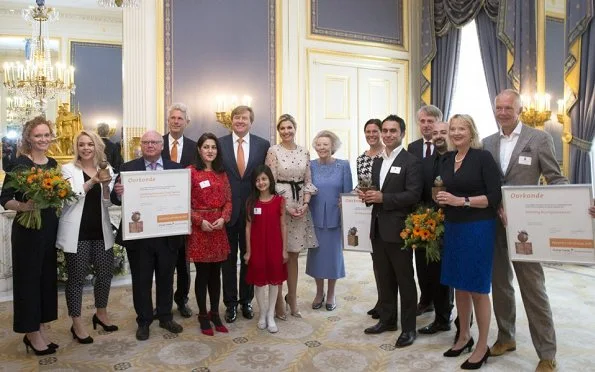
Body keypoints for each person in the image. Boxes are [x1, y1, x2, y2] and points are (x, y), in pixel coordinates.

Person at [483, 89, 567, 372]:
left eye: (508, 108)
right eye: (499, 107)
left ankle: (547, 353)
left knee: (533, 289)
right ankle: (506, 338)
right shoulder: (487, 142)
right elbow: (486, 184)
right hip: (494, 224)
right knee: (500, 285)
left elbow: (556, 179)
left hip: (527, 229)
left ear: (519, 110)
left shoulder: (539, 138)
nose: (503, 112)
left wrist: (577, 204)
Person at [436, 114, 501, 370]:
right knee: (459, 286)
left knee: (477, 287)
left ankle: (483, 345)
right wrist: (443, 201)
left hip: (478, 228)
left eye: (461, 128)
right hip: (453, 227)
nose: (456, 132)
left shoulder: (482, 157)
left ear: (471, 131)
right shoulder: (448, 159)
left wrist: (461, 201)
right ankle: (464, 335)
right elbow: (442, 189)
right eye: (453, 129)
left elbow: (494, 196)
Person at [111, 130, 185, 341]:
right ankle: (144, 321)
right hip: (140, 236)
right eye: (146, 142)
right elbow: (117, 202)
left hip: (167, 234)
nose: (150, 145)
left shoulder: (176, 169)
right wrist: (118, 192)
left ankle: (165, 316)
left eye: (154, 142)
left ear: (162, 146)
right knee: (141, 281)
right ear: (140, 146)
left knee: (165, 279)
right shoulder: (128, 169)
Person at [358, 114, 422, 348]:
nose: (387, 135)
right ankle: (387, 320)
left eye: (392, 131)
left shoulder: (411, 161)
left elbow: (413, 195)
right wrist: (367, 196)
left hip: (399, 230)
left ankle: (409, 329)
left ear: (402, 133)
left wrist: (384, 198)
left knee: (405, 280)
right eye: (384, 130)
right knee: (383, 277)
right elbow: (375, 191)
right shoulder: (377, 161)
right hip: (377, 228)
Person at [0, 116, 59, 355]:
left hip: (48, 229)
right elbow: (5, 199)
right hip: (27, 231)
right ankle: (31, 332)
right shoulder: (19, 165)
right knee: (28, 282)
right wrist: (25, 206)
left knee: (45, 281)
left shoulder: (53, 163)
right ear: (28, 138)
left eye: (46, 135)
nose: (43, 139)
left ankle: (40, 328)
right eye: (38, 135)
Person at [56, 130, 118, 345]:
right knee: (76, 280)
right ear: (77, 148)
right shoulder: (67, 169)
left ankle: (101, 313)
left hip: (101, 231)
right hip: (77, 233)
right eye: (81, 145)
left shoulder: (106, 167)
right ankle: (77, 323)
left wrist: (106, 187)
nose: (86, 148)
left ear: (97, 146)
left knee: (104, 275)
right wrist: (92, 181)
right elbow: (69, 199)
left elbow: (108, 203)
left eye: (90, 144)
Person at [220, 105, 271, 323]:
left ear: (251, 121)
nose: (240, 121)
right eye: (236, 118)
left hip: (253, 210)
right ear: (231, 121)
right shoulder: (220, 144)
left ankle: (246, 301)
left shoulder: (263, 144)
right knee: (228, 260)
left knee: (250, 257)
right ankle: (230, 304)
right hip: (228, 210)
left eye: (244, 118)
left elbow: (266, 177)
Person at [266, 114, 318, 319]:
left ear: (295, 128)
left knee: (294, 255)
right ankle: (278, 301)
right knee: (281, 255)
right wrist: (284, 206)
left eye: (289, 127)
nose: (286, 131)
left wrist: (305, 203)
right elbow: (269, 182)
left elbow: (308, 181)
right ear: (278, 131)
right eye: (282, 128)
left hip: (299, 207)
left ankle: (293, 299)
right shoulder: (273, 151)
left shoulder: (304, 151)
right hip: (280, 206)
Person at [187, 133, 231, 336]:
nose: (210, 150)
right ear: (199, 149)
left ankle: (215, 313)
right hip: (200, 229)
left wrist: (224, 218)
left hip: (218, 229)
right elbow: (183, 203)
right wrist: (199, 221)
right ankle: (203, 315)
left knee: (216, 275)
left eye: (213, 147)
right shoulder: (191, 172)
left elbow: (229, 200)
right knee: (202, 275)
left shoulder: (222, 173)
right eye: (206, 147)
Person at [307, 130, 352, 311]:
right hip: (315, 218)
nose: (322, 147)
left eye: (325, 144)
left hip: (335, 218)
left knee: (333, 258)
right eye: (318, 144)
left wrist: (345, 207)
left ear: (332, 146)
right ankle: (319, 292)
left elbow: (348, 193)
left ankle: (331, 293)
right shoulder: (309, 165)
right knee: (317, 257)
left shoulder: (343, 165)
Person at [417, 121, 454, 336]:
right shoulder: (426, 162)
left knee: (448, 274)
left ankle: (447, 317)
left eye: (444, 132)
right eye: (436, 132)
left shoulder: (458, 159)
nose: (439, 135)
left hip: (454, 221)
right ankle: (440, 315)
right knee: (431, 271)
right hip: (428, 223)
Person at [161, 103, 197, 318]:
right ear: (168, 120)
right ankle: (163, 303)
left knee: (184, 262)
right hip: (160, 212)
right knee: (163, 262)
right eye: (172, 118)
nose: (176, 121)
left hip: (185, 212)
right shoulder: (157, 143)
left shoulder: (195, 147)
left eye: (180, 118)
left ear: (187, 122)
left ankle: (182, 299)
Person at [407, 104, 443, 316]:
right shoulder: (412, 147)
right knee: (420, 259)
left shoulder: (445, 145)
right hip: (418, 213)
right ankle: (425, 299)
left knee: (437, 261)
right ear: (418, 123)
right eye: (423, 121)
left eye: (431, 121)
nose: (427, 125)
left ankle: (441, 304)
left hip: (441, 210)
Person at [244, 165, 288, 333]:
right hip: (257, 248)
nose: (261, 182)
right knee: (259, 283)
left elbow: (283, 225)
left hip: (275, 246)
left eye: (264, 179)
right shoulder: (251, 202)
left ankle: (271, 314)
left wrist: (284, 250)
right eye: (257, 180)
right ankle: (262, 312)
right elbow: (248, 228)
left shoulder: (279, 201)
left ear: (270, 180)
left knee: (274, 281)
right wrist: (248, 251)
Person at [355, 119, 384, 320]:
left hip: (387, 210)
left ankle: (387, 301)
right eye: (368, 131)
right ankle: (382, 300)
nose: (371, 134)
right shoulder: (361, 159)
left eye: (375, 131)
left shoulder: (388, 155)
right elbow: (361, 185)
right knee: (376, 260)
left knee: (388, 262)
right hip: (368, 214)